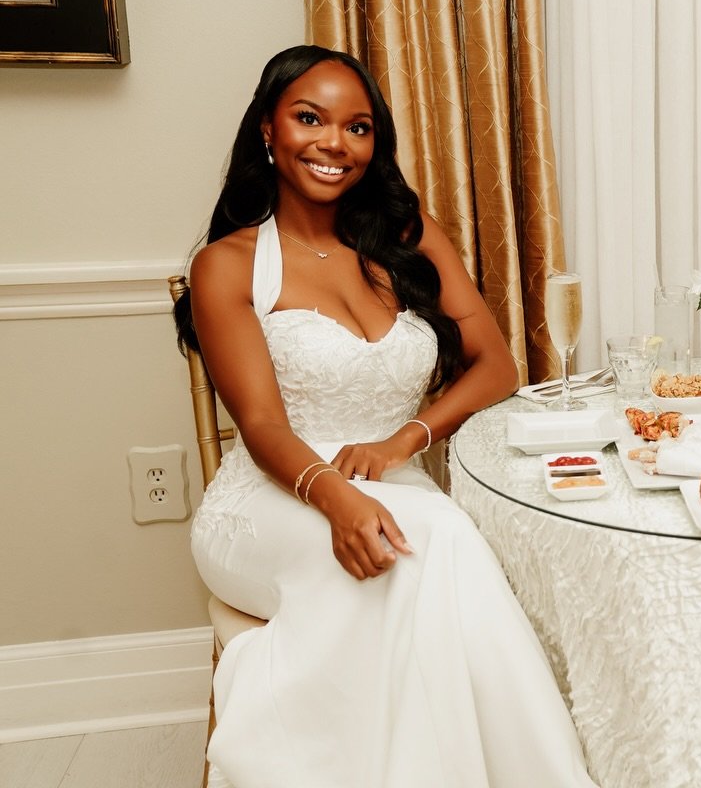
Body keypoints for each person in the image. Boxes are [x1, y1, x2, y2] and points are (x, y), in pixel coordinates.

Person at [174, 45, 597, 788]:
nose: (334, 143)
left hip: (398, 482)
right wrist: (337, 497)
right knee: (433, 542)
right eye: (310, 119)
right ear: (269, 129)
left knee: (424, 547)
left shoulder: (410, 238)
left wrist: (404, 438)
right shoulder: (229, 263)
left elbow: (496, 366)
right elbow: (263, 426)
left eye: (358, 127)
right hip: (270, 499)